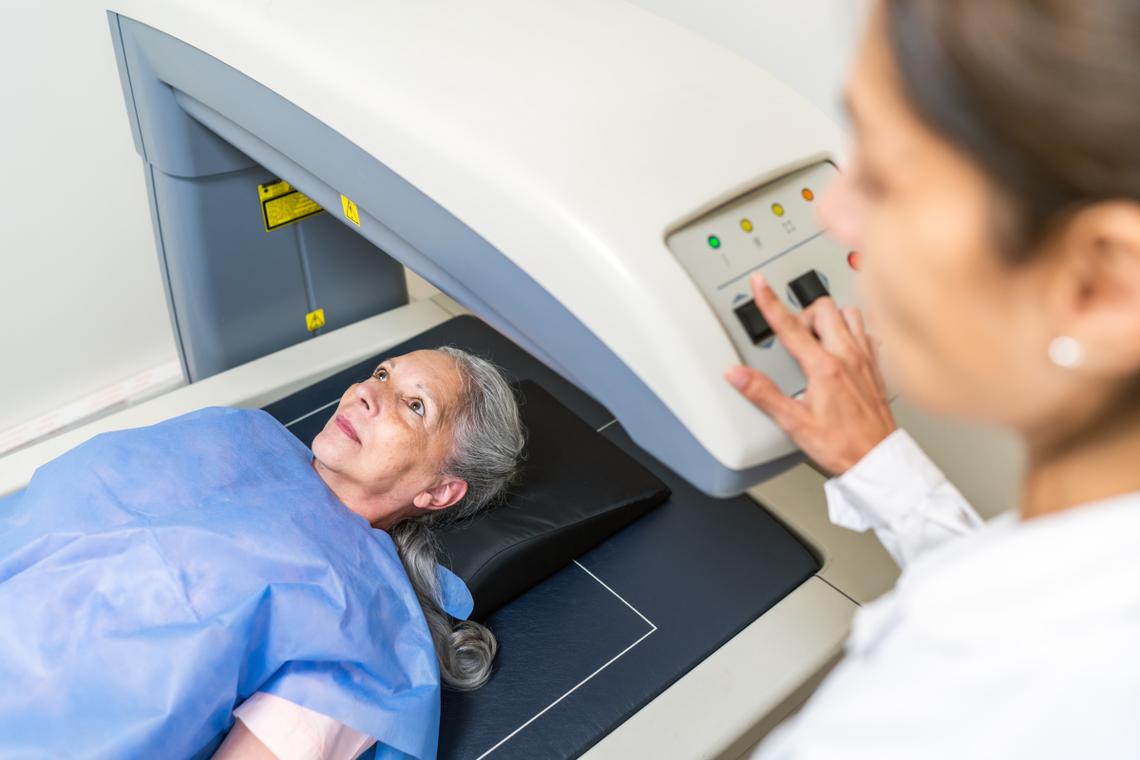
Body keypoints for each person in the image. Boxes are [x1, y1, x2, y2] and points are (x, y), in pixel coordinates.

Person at [721, 1, 1140, 757]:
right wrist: (880, 467)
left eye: (884, 175)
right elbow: (1033, 597)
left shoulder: (977, 719)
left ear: (1103, 286)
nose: (835, 214)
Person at [0, 347, 525, 760]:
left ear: (438, 491)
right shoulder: (237, 431)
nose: (367, 392)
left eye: (415, 406)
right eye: (382, 374)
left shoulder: (367, 629)